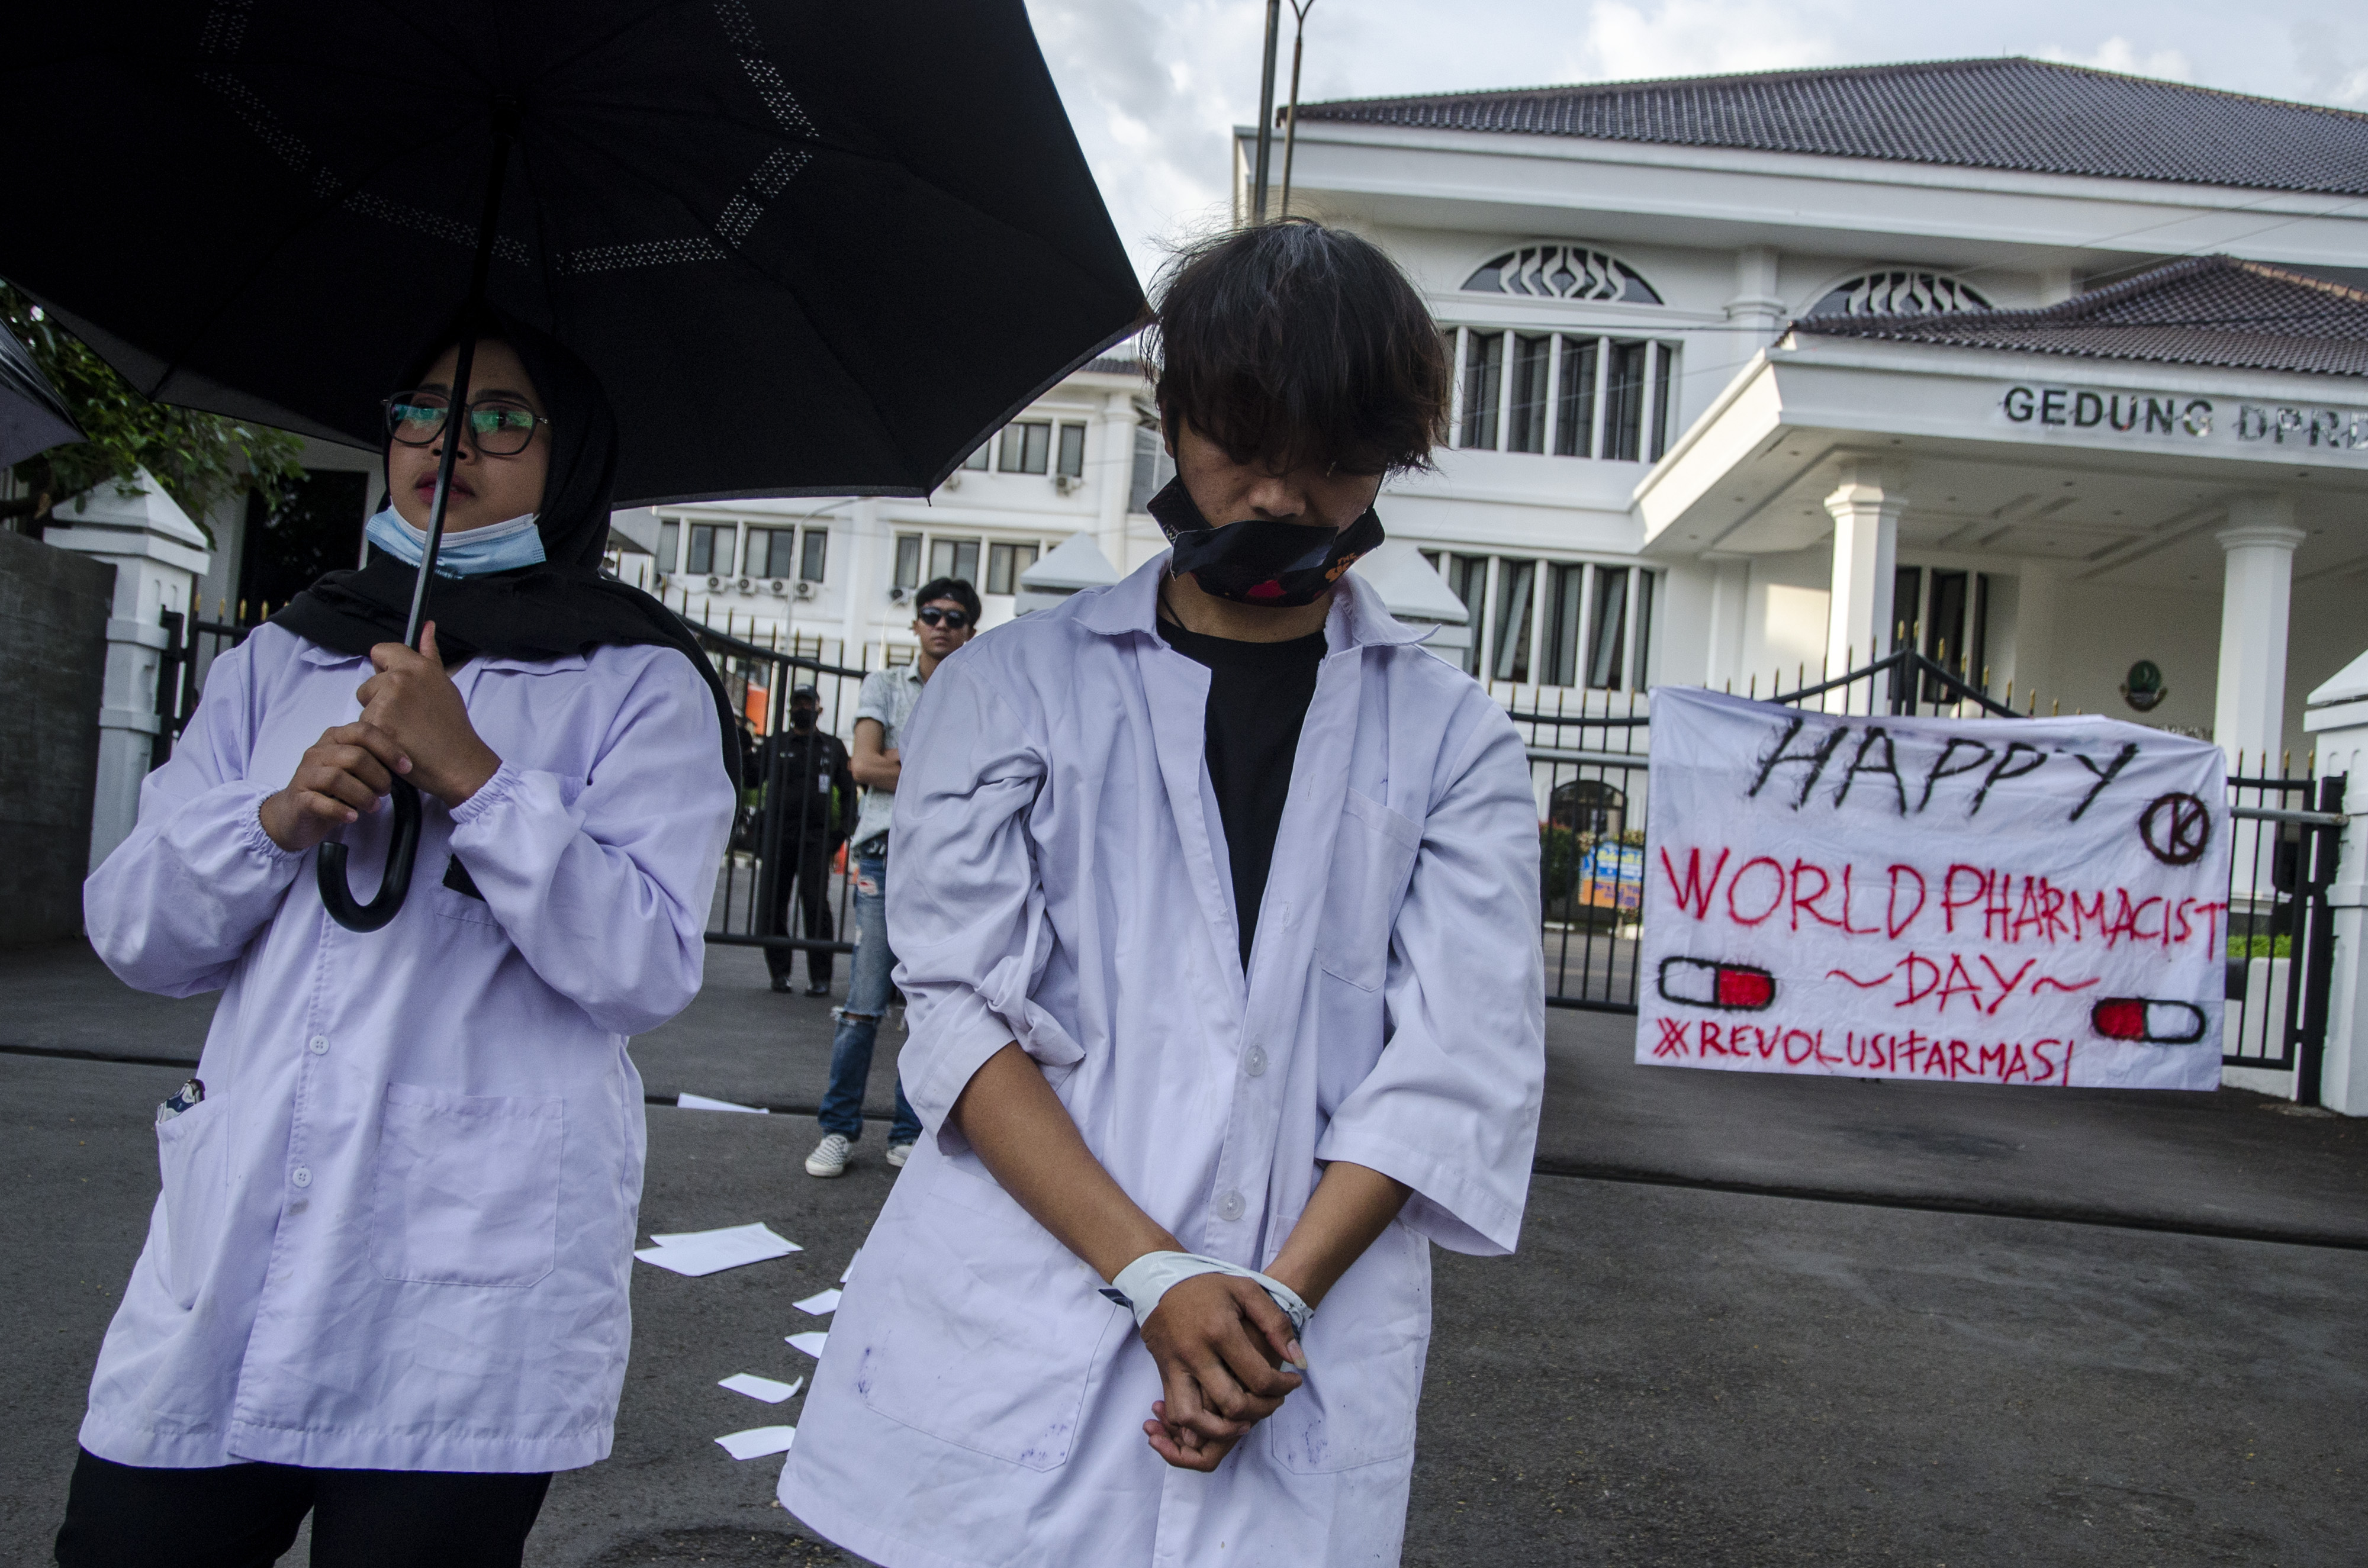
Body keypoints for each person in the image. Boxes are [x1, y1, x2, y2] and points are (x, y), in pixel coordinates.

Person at [779, 218, 1545, 1566]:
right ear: (1174, 416)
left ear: (1389, 460)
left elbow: (1456, 1063)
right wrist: (1153, 1269)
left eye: (1332, 459)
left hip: (1292, 1339)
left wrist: (1268, 1305)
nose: (1281, 498)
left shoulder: (1450, 737)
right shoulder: (1007, 687)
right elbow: (959, 1013)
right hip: (1018, 1317)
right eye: (1245, 442)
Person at [56, 314, 738, 1568]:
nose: (448, 442)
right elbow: (137, 931)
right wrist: (275, 818)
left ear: (569, 456)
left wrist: (475, 775)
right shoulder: (280, 655)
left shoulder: (636, 679)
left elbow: (644, 964)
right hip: (234, 1255)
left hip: (459, 1303)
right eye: (423, 408)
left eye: (500, 417)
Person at [803, 578, 980, 1179]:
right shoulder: (884, 685)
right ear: (915, 624)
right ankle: (837, 1128)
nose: (941, 625)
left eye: (954, 618)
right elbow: (861, 764)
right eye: (931, 614)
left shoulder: (976, 694)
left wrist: (902, 763)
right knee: (864, 1003)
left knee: (926, 1005)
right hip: (883, 856)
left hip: (945, 860)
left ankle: (908, 1131)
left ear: (970, 632)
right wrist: (936, 765)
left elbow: (978, 778)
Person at [760, 683, 856, 996]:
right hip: (779, 837)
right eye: (797, 704)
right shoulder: (775, 743)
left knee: (816, 905)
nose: (803, 709)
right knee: (774, 904)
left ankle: (821, 977)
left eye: (808, 703)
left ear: (819, 709)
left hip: (816, 839)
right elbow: (750, 775)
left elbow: (849, 790)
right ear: (789, 709)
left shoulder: (832, 746)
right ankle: (780, 973)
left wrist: (842, 832)